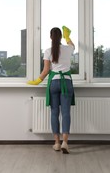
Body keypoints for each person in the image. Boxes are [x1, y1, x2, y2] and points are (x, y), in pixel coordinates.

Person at [27, 26, 75, 154]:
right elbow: (72, 45)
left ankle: (57, 143)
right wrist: (68, 37)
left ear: (50, 37)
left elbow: (46, 70)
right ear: (61, 37)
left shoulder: (48, 51)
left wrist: (38, 80)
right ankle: (65, 142)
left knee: (54, 113)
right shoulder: (68, 49)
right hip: (67, 82)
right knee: (66, 113)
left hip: (54, 83)